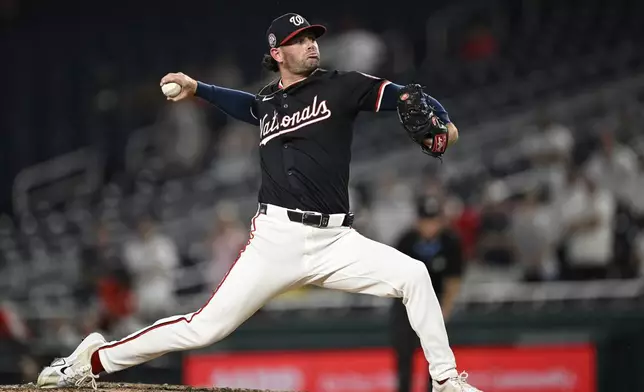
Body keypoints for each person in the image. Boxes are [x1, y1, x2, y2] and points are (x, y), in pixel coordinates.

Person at [36, 13, 480, 392]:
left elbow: (408, 96)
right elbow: (247, 105)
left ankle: (445, 381)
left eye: (312, 38)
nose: (310, 45)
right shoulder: (268, 102)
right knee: (204, 327)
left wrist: (445, 122)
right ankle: (90, 362)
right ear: (277, 52)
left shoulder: (341, 86)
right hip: (277, 240)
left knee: (415, 275)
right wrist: (199, 88)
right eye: (299, 40)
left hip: (337, 240)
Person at [391, 195, 465, 392]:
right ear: (418, 221)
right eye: (426, 221)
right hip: (405, 303)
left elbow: (453, 279)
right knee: (404, 354)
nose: (430, 226)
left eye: (434, 221)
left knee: (435, 356)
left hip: (436, 302)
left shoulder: (450, 242)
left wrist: (445, 310)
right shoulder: (406, 241)